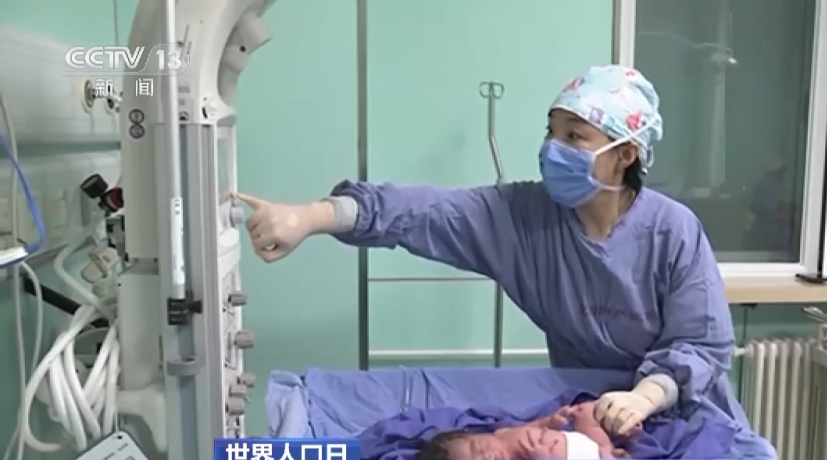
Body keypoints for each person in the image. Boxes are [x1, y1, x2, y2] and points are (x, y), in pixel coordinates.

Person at [236, 65, 736, 437]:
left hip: (679, 412)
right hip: (583, 411)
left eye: (574, 137)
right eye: (551, 131)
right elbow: (421, 212)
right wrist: (311, 217)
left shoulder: (672, 231)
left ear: (625, 154)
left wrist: (644, 396)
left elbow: (701, 343)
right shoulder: (521, 217)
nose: (552, 148)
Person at [415, 401, 630, 460]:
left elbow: (533, 426)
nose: (488, 456)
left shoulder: (503, 433)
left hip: (582, 440)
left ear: (478, 435)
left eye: (479, 448)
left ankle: (615, 437)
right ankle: (610, 458)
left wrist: (551, 421)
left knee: (587, 410)